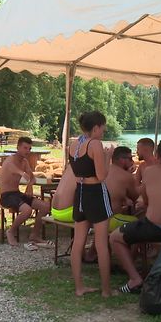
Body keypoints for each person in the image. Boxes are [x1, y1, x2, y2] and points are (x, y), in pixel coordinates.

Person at [110, 140, 161, 294]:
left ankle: (135, 279)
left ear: (157, 154)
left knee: (115, 238)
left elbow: (146, 200)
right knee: (137, 227)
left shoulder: (149, 171)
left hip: (155, 227)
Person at [68, 111, 114, 297]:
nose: (103, 132)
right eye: (103, 128)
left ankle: (79, 287)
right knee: (101, 243)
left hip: (79, 192)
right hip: (95, 193)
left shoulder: (73, 144)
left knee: (78, 242)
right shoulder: (95, 144)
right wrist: (108, 157)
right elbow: (102, 176)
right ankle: (106, 290)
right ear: (95, 128)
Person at [84, 146, 140, 263]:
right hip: (109, 219)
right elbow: (135, 197)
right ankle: (130, 260)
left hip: (91, 216)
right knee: (140, 224)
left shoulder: (102, 171)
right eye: (130, 158)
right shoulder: (126, 176)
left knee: (118, 212)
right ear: (122, 160)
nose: (132, 161)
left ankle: (92, 253)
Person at [0, 137, 51, 249]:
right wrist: (22, 173)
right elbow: (14, 170)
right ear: (18, 147)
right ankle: (11, 231)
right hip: (6, 196)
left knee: (45, 206)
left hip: (17, 193)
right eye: (25, 148)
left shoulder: (25, 162)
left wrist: (30, 186)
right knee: (27, 210)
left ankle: (34, 235)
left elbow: (32, 178)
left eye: (29, 148)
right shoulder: (9, 160)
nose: (27, 151)